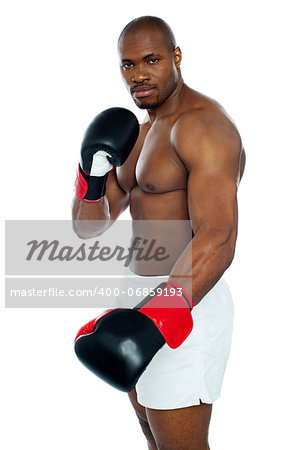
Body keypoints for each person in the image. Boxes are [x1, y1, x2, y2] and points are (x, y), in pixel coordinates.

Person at [72, 15, 245, 450]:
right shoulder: (138, 134)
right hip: (135, 293)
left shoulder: (204, 126)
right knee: (152, 433)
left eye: (151, 60)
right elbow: (87, 227)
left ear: (176, 56)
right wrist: (90, 176)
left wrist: (160, 316)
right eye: (128, 64)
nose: (139, 74)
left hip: (184, 302)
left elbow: (219, 236)